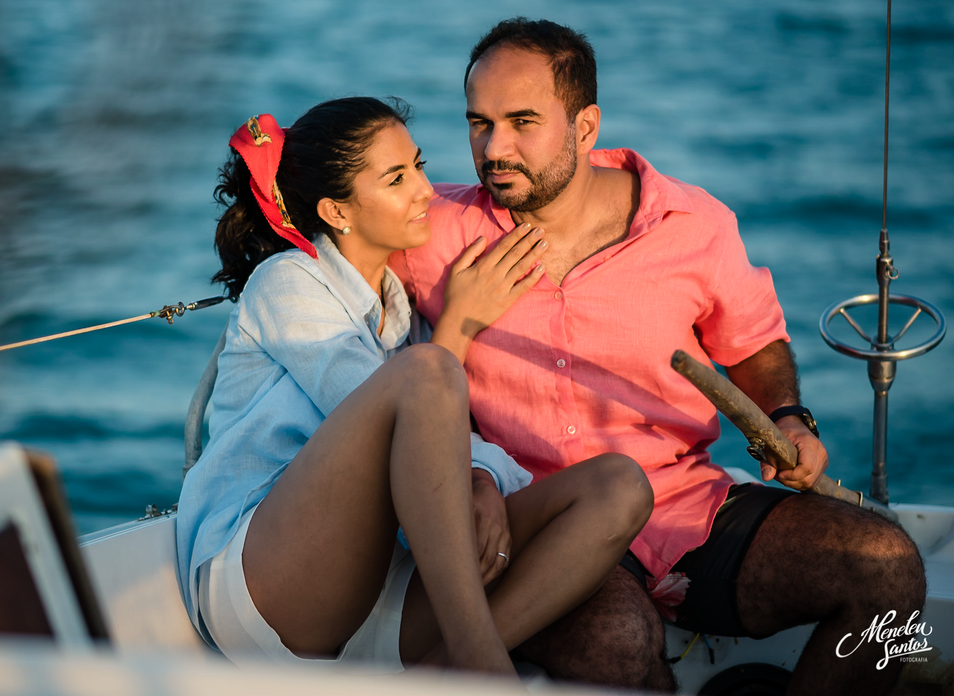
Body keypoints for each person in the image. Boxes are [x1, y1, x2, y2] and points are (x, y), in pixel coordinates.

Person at [390, 19, 926, 694]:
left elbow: (754, 339)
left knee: (887, 565)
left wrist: (787, 417)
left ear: (586, 127)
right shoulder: (429, 232)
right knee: (619, 638)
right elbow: (325, 219)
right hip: (534, 521)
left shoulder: (693, 225)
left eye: (522, 121)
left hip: (682, 503)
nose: (493, 148)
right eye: (478, 123)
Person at [176, 97, 654, 676]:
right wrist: (459, 327)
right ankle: (484, 667)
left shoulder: (403, 312)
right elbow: (383, 400)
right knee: (427, 372)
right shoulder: (288, 284)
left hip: (377, 593)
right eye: (397, 178)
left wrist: (479, 475)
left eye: (420, 166)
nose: (426, 191)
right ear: (336, 211)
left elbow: (430, 430)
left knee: (618, 485)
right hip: (265, 590)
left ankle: (445, 668)